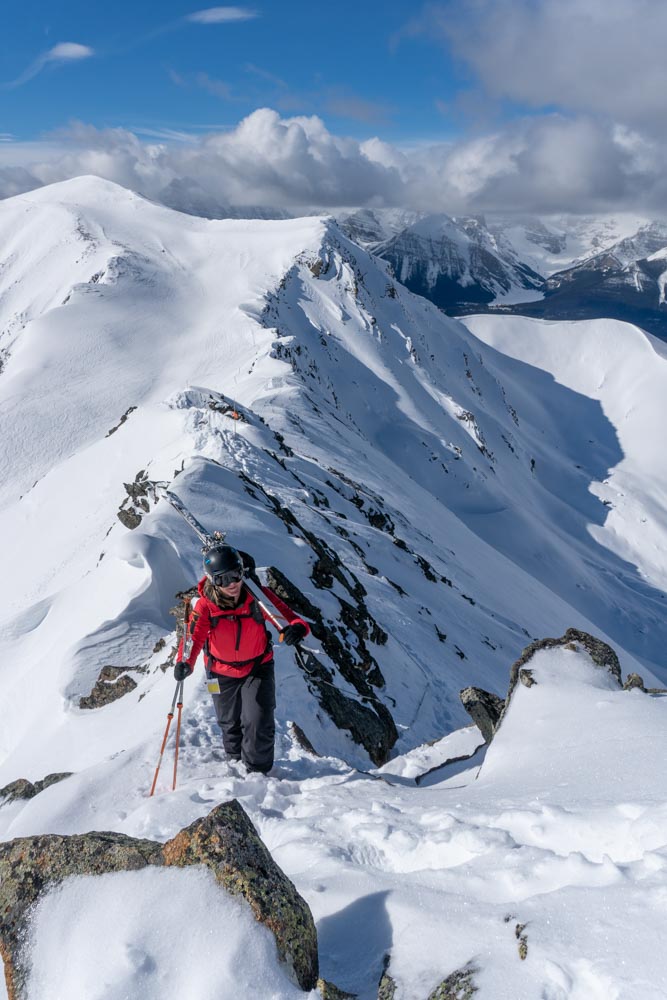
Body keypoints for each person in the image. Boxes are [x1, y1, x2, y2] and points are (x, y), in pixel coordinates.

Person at [173, 544, 309, 774]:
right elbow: (193, 638)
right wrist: (184, 662)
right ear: (212, 580)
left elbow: (291, 618)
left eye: (235, 575)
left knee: (258, 719)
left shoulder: (257, 596)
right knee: (229, 722)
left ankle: (258, 771)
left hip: (257, 667)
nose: (232, 584)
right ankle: (235, 761)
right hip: (219, 670)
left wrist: (297, 629)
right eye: (223, 579)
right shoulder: (205, 605)